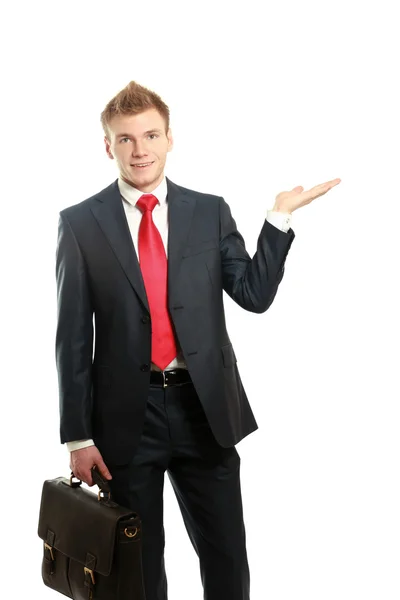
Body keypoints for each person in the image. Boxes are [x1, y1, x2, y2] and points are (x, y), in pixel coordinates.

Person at [55, 80, 340, 600]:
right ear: (107, 145)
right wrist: (77, 436)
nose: (139, 150)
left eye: (150, 136)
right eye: (125, 139)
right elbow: (71, 338)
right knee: (137, 568)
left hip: (203, 410)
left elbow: (253, 294)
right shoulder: (79, 224)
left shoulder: (209, 212)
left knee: (227, 557)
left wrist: (278, 219)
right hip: (125, 420)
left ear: (168, 139)